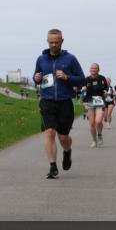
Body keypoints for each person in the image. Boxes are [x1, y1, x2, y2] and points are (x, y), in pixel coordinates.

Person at [33, 29, 86, 179]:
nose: (54, 45)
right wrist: (36, 77)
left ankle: (67, 151)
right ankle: (52, 166)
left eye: (56, 42)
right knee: (49, 132)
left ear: (62, 41)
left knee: (63, 137)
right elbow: (37, 76)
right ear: (47, 41)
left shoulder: (70, 59)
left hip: (64, 102)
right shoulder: (41, 59)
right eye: (51, 42)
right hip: (47, 101)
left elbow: (82, 80)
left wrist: (67, 77)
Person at [82, 63, 110, 147]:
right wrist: (83, 90)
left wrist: (105, 92)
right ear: (90, 70)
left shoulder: (102, 78)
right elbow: (83, 91)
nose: (93, 70)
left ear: (98, 70)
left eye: (95, 68)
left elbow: (106, 88)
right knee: (92, 123)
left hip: (100, 101)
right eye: (92, 68)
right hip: (90, 101)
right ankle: (94, 140)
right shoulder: (86, 79)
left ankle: (100, 135)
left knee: (98, 121)